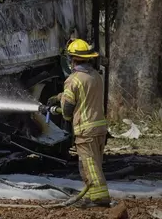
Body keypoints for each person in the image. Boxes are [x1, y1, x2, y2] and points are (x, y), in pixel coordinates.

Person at [48, 38, 110, 207]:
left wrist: (65, 115)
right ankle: (91, 196)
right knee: (95, 164)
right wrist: (58, 97)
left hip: (85, 129)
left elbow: (68, 108)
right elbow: (84, 96)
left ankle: (99, 198)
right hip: (99, 127)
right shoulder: (95, 76)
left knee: (88, 165)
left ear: (72, 59)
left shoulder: (73, 80)